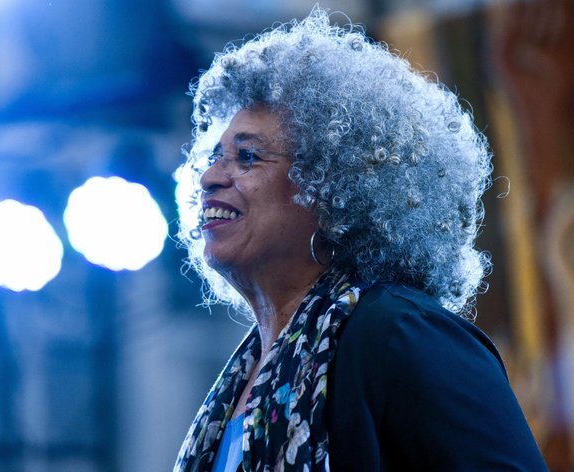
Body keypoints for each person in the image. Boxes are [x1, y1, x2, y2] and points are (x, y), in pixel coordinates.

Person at [173, 7, 548, 471]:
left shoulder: (400, 334)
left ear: (335, 187)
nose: (210, 177)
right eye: (213, 158)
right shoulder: (243, 377)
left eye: (247, 156)